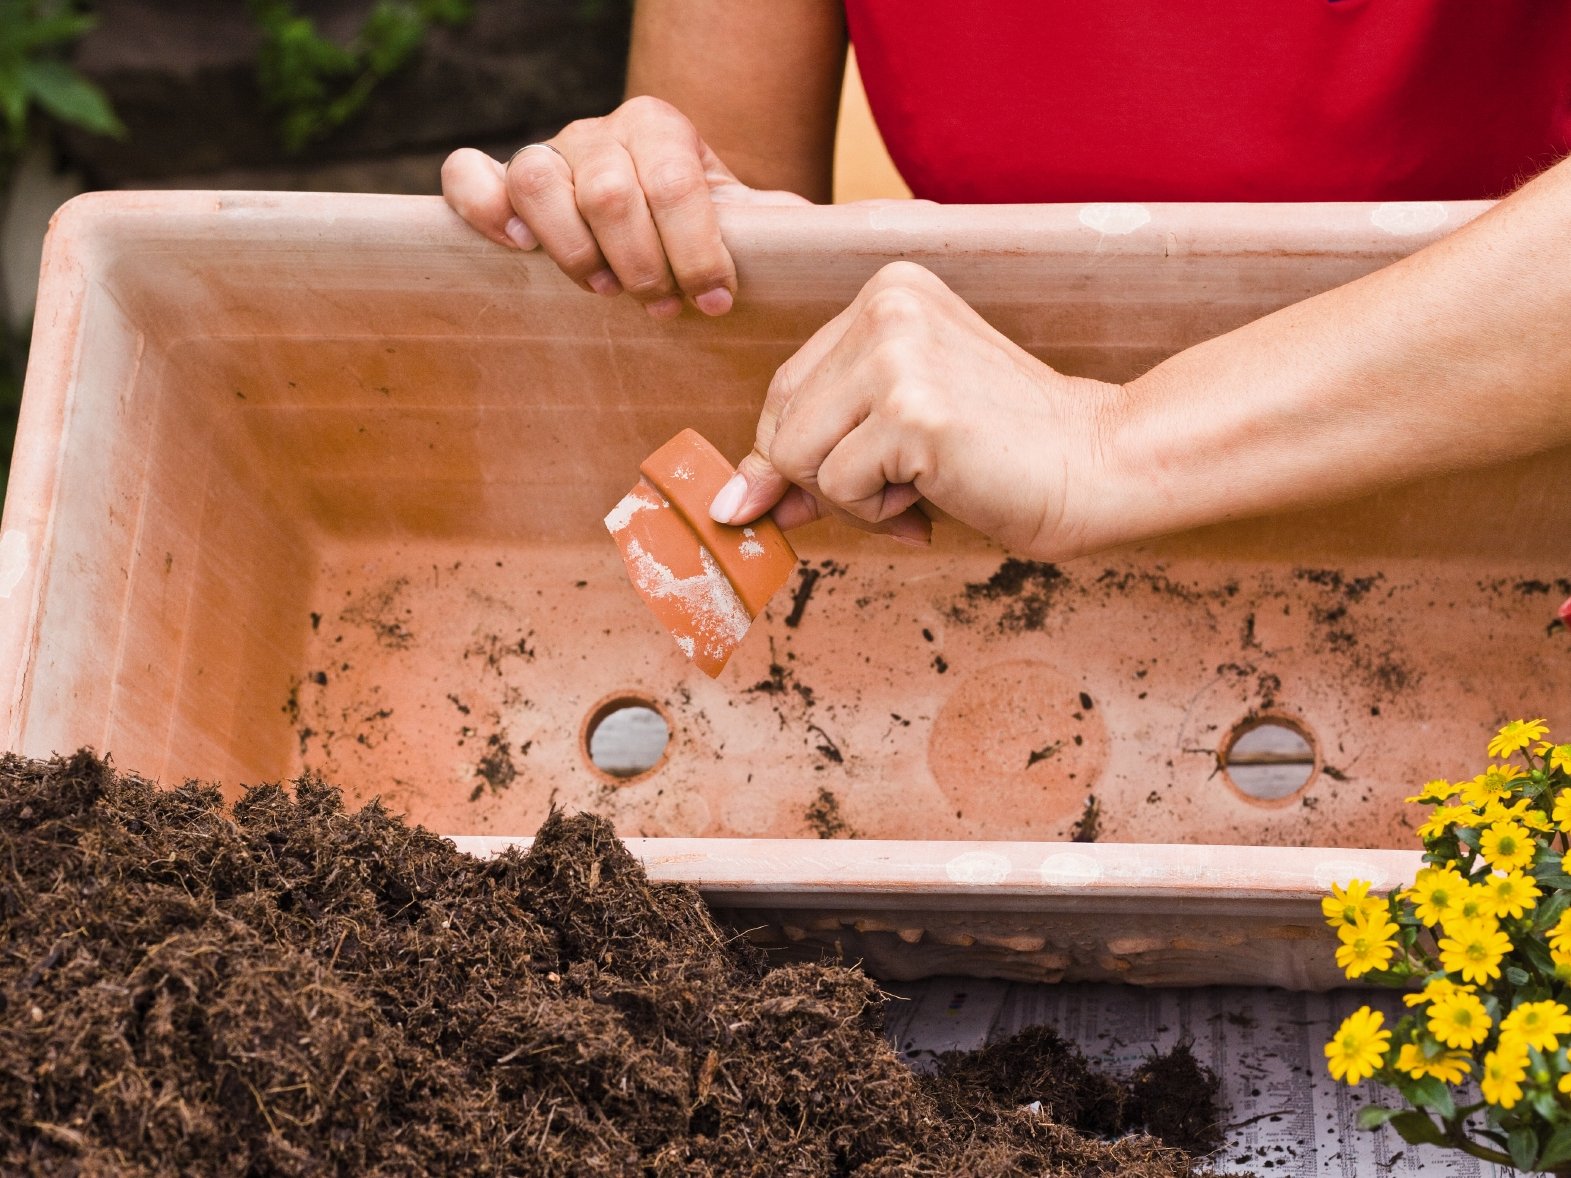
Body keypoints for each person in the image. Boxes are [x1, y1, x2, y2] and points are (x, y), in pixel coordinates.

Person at [441, 3, 1571, 562]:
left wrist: (1112, 439)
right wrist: (651, 201)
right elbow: (728, 299)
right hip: (990, 567)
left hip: (1486, 531)